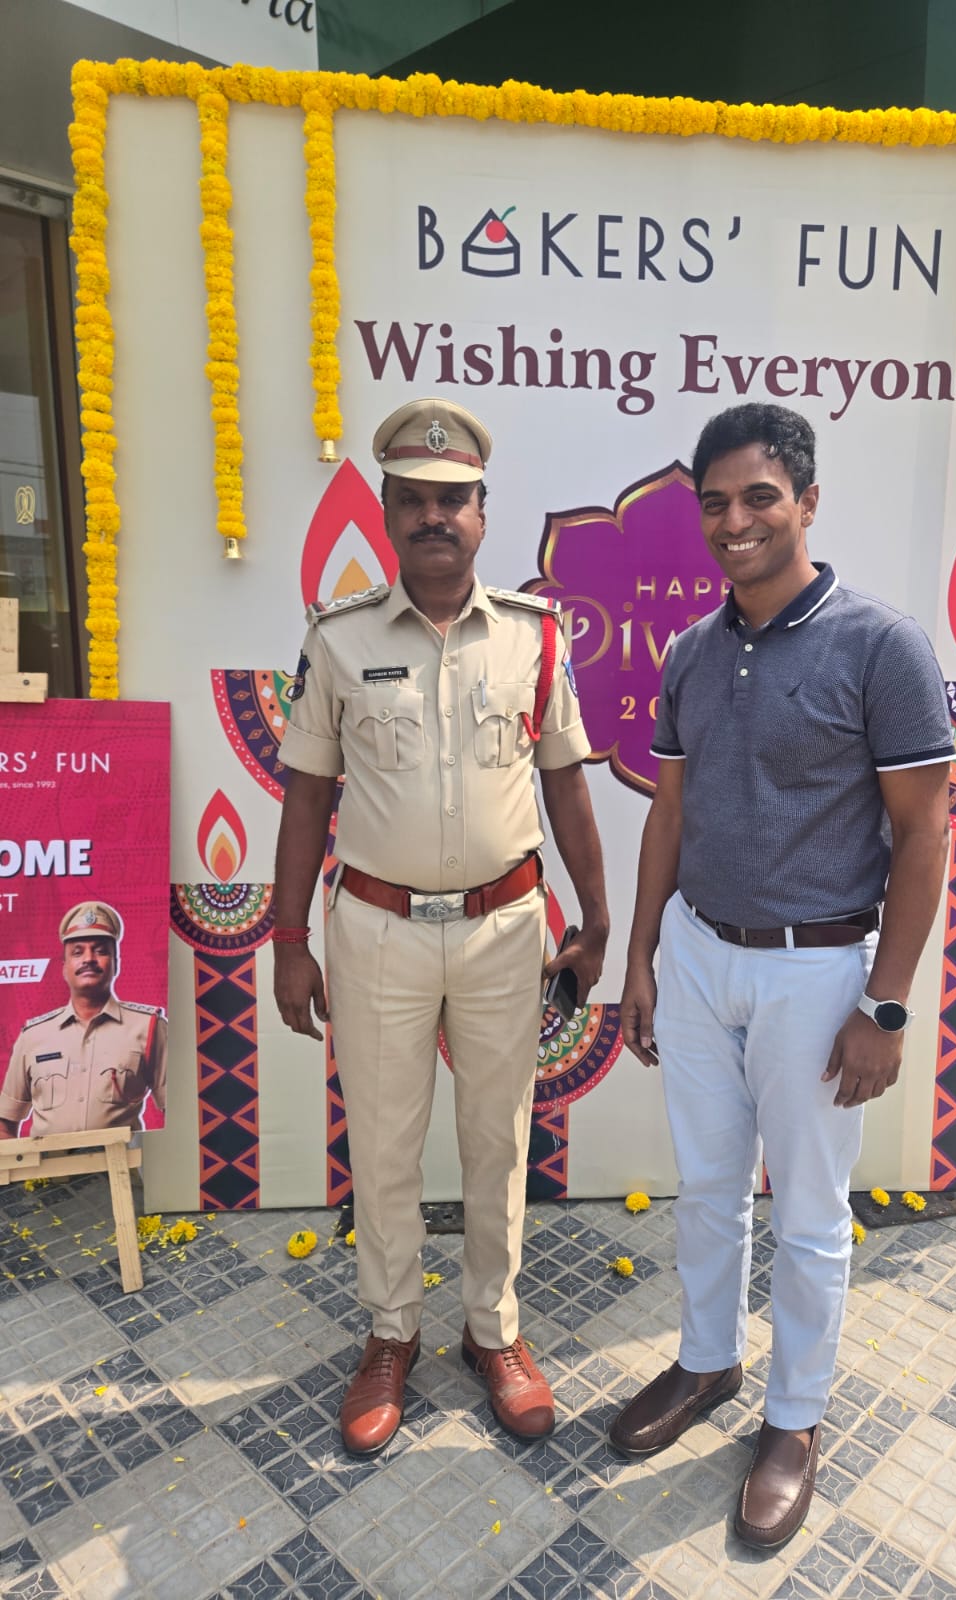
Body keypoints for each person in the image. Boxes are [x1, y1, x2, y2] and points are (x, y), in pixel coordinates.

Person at [611, 403, 952, 1548]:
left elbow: (924, 834)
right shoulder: (691, 653)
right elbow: (669, 811)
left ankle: (796, 1418)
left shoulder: (882, 645)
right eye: (715, 503)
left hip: (818, 973)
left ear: (807, 501)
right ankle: (707, 1361)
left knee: (808, 1214)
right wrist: (642, 955)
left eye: (760, 497)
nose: (736, 522)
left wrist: (884, 1004)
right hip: (700, 957)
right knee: (708, 1186)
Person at [273, 397, 608, 1457]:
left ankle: (493, 1330)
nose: (434, 517)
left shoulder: (535, 637)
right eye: (413, 499)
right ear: (385, 512)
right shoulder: (338, 640)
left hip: (506, 928)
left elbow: (566, 784)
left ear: (482, 514)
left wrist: (599, 918)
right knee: (383, 1142)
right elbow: (305, 798)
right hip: (377, 931)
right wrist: (290, 940)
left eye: (453, 500)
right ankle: (391, 1332)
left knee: (497, 1137)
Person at [0, 902, 167, 1140]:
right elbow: (5, 1122)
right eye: (77, 952)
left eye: (100, 951)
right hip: (48, 1165)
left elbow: (177, 1112)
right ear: (64, 967)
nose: (88, 959)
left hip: (119, 1163)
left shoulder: (148, 1027)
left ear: (116, 963)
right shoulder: (33, 1036)